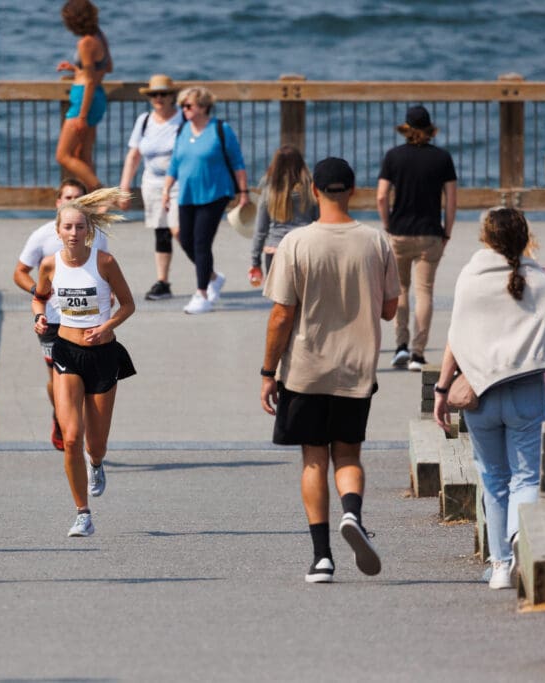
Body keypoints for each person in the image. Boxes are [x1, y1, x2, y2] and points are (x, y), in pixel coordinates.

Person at [259, 158, 400, 584]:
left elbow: (282, 315)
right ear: (353, 190)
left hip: (306, 370)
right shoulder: (376, 242)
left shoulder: (297, 244)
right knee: (349, 453)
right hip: (357, 369)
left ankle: (322, 558)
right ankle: (352, 514)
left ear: (314, 191)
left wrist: (268, 371)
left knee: (314, 460)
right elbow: (390, 309)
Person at [433, 208, 545, 589]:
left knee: (493, 477)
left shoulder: (470, 278)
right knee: (527, 476)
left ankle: (499, 566)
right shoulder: (542, 281)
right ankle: (519, 539)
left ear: (486, 240)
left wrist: (441, 389)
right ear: (523, 236)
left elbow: (456, 336)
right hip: (526, 392)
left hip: (479, 394)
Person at [32, 188, 136, 537]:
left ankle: (97, 463)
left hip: (103, 355)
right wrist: (40, 318)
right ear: (58, 231)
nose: (74, 233)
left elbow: (128, 305)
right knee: (72, 437)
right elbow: (39, 297)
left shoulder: (103, 263)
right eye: (68, 227)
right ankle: (82, 514)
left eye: (80, 227)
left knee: (96, 442)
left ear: (88, 231)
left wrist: (105, 326)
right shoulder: (50, 264)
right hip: (66, 352)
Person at [13, 178, 108, 450]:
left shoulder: (97, 235)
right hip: (54, 320)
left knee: (86, 379)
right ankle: (61, 416)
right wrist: (38, 291)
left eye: (78, 198)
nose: (72, 203)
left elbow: (105, 271)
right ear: (58, 202)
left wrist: (108, 293)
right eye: (68, 198)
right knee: (57, 377)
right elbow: (19, 271)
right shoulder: (43, 235)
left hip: (89, 319)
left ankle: (75, 426)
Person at [377, 105, 458, 371]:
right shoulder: (442, 158)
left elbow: (381, 196)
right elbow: (451, 201)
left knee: (400, 290)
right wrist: (446, 231)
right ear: (430, 129)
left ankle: (400, 346)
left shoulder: (393, 157)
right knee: (425, 293)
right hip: (429, 232)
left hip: (399, 232)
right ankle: (417, 353)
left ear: (406, 128)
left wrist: (388, 225)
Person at [163, 86, 249, 315]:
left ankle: (202, 294)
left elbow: (238, 162)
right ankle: (213, 276)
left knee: (201, 243)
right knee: (185, 240)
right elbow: (174, 163)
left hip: (214, 193)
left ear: (202, 106)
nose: (184, 109)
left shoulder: (221, 129)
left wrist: (244, 192)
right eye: (182, 106)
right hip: (187, 194)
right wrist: (166, 190)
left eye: (188, 105)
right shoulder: (182, 130)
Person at [117, 73, 183, 300]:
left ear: (172, 96)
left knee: (180, 229)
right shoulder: (144, 120)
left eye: (164, 94)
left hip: (179, 182)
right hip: (152, 182)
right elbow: (134, 155)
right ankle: (162, 281)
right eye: (155, 94)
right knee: (162, 231)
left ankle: (209, 275)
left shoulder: (183, 119)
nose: (159, 98)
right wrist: (124, 187)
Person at [55, 0, 113, 191]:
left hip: (83, 101)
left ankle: (102, 193)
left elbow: (88, 81)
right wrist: (76, 69)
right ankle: (95, 202)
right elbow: (107, 67)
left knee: (63, 155)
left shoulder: (85, 42)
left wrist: (81, 116)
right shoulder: (99, 35)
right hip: (96, 97)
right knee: (83, 154)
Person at [248, 145, 318, 287]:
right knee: (304, 301)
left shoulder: (269, 193)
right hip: (304, 250)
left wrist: (255, 262)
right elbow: (319, 223)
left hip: (275, 251)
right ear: (301, 165)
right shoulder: (310, 192)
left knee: (280, 303)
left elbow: (260, 231)